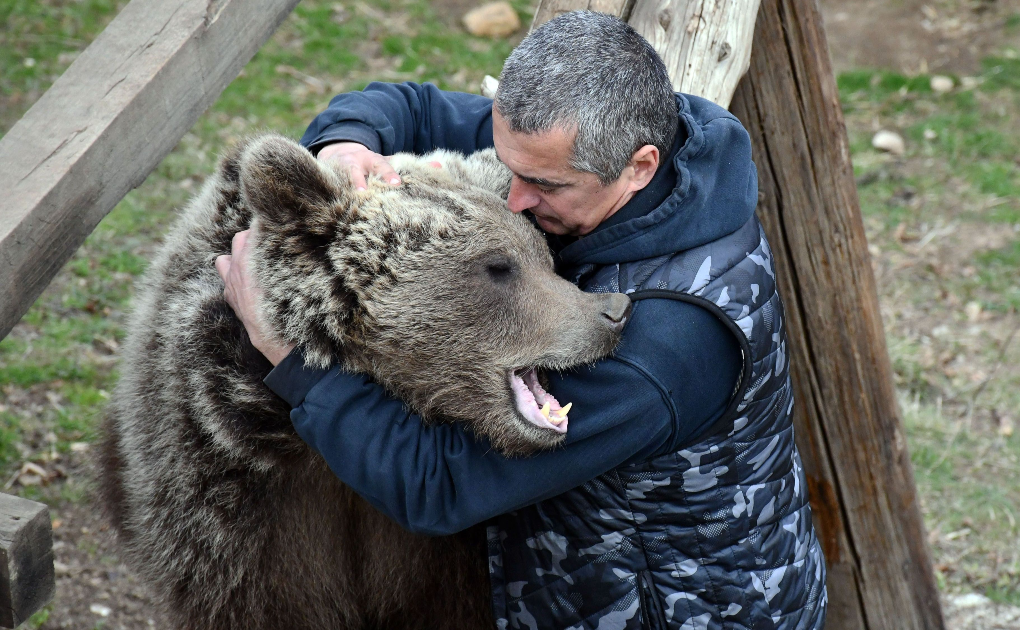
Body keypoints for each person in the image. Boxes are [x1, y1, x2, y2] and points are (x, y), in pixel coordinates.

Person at [215, 10, 827, 630]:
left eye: (540, 184)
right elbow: (410, 106)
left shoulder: (666, 342)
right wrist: (342, 148)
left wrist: (292, 365)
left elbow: (440, 486)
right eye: (511, 167)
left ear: (639, 165)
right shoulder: (592, 142)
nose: (513, 198)